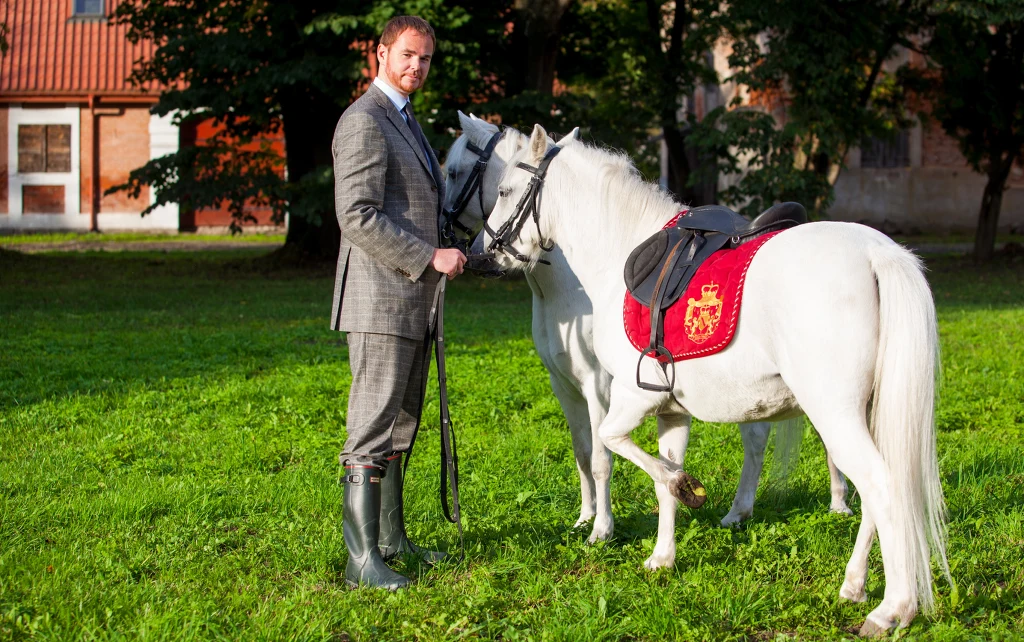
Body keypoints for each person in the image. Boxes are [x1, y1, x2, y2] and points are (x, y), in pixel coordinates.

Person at [330, 15, 467, 590]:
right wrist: (428, 256)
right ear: (380, 53)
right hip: (380, 299)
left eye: (426, 59)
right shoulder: (365, 120)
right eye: (407, 55)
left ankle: (390, 541)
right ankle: (361, 561)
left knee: (400, 424)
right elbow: (356, 215)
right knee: (371, 424)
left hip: (412, 301)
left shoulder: (404, 119)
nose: (416, 67)